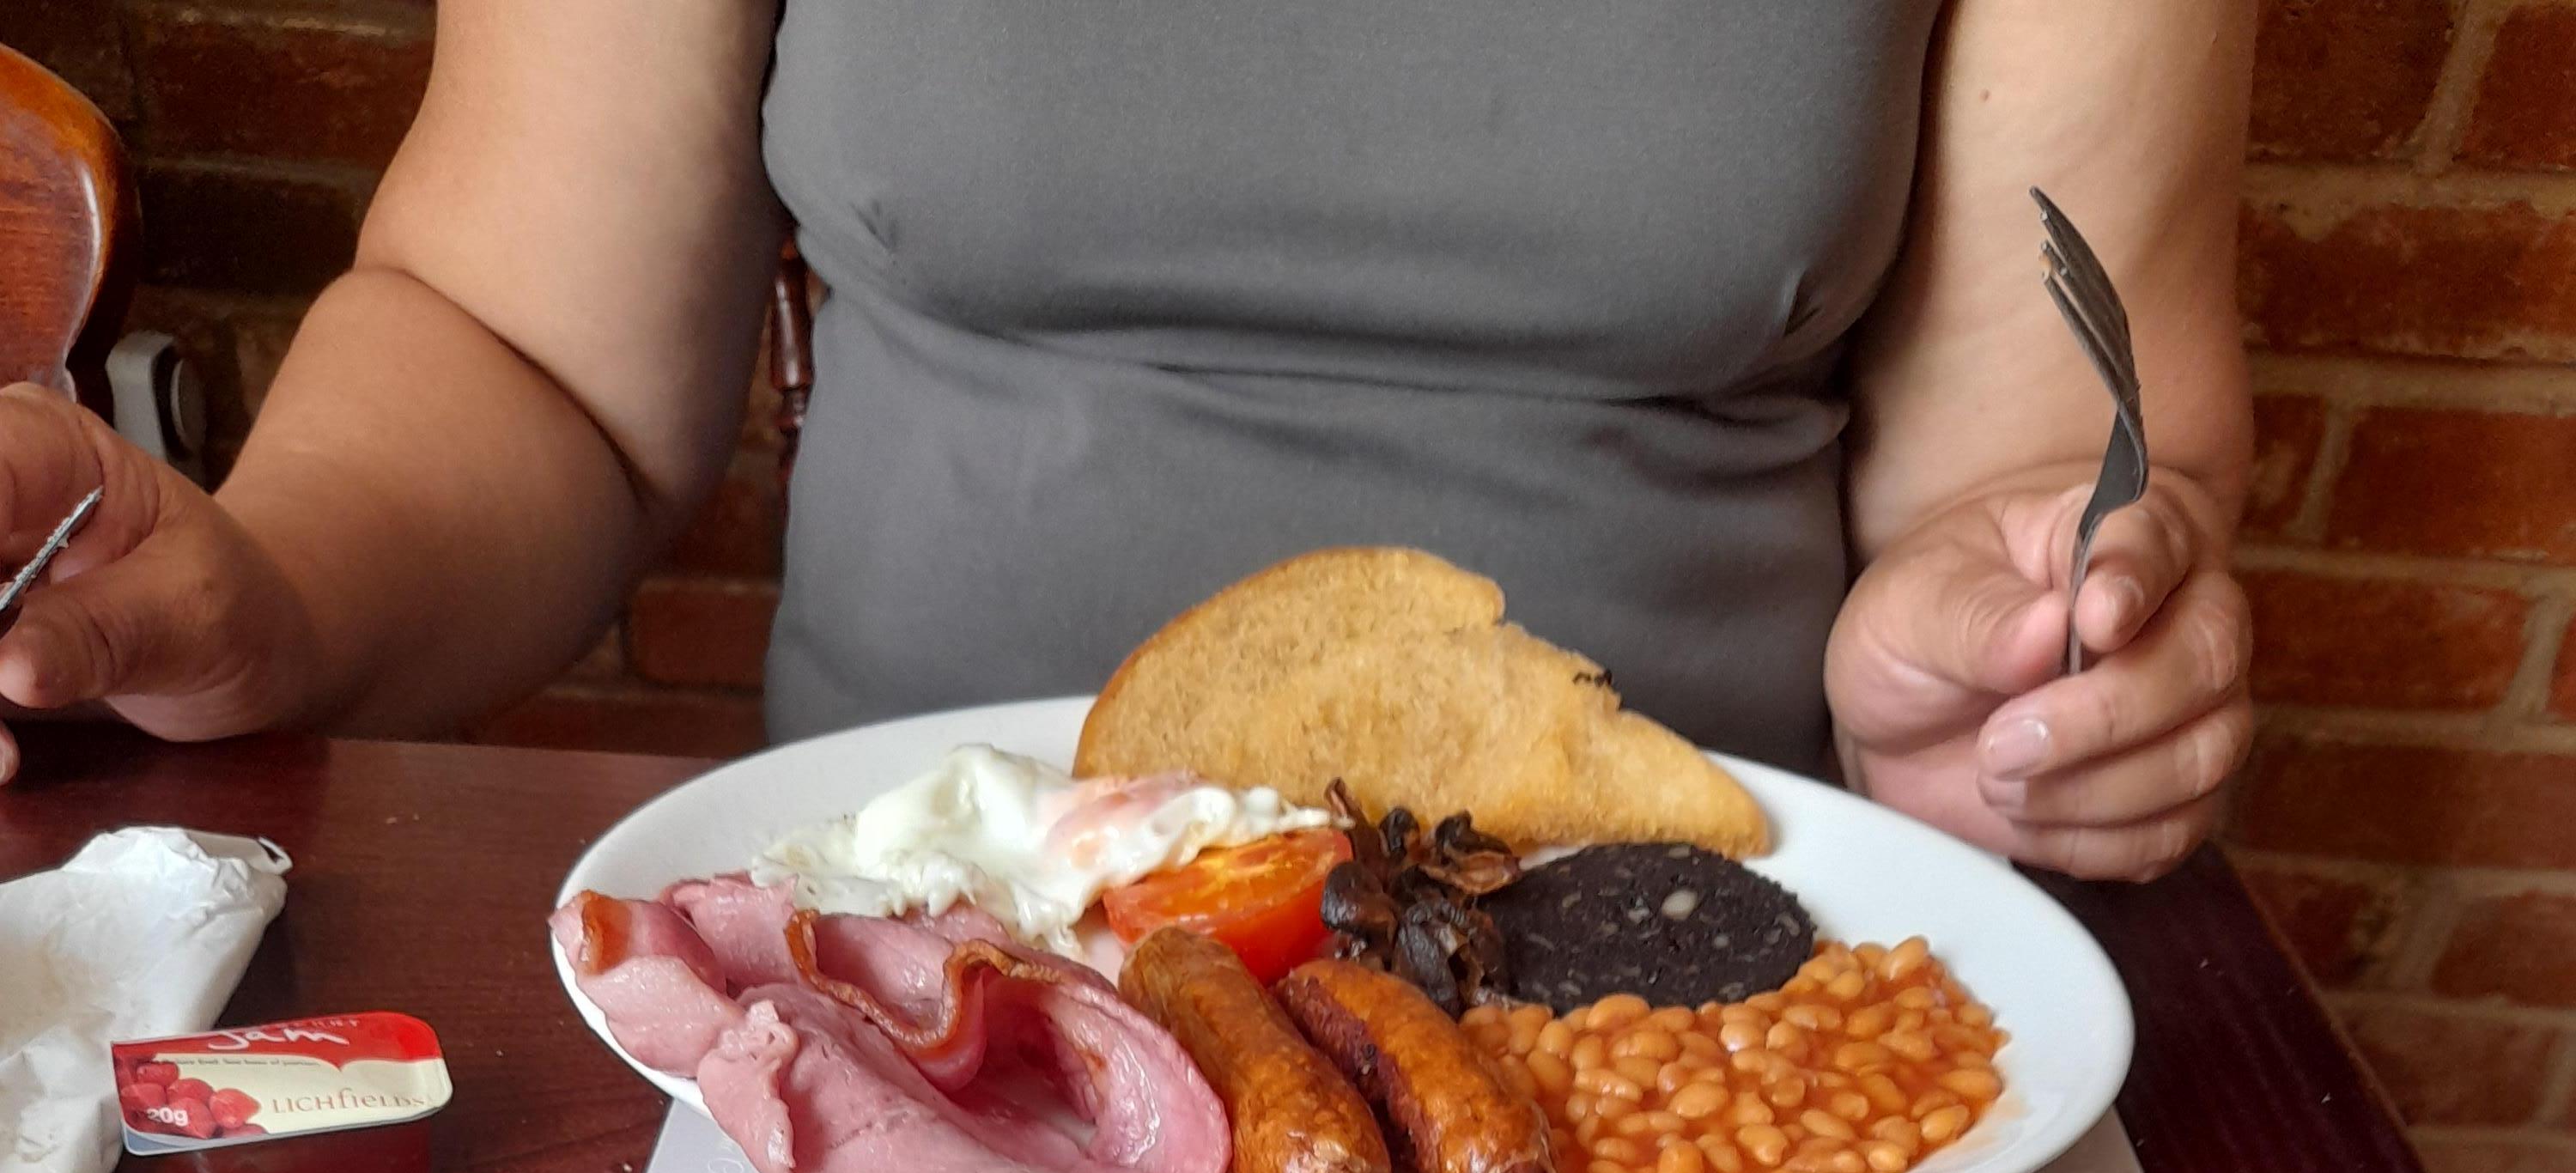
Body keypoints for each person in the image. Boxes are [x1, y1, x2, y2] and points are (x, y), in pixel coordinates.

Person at [0, 0, 2253, 883]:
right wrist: (264, 599)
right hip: (909, 954)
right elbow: (528, 342)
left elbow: (2051, 443)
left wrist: (2021, 658)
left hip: (1687, 1004)